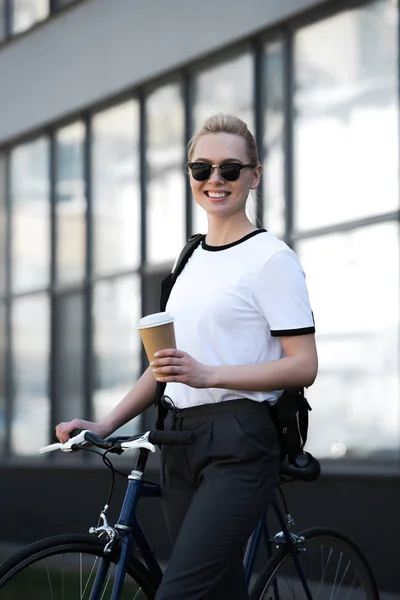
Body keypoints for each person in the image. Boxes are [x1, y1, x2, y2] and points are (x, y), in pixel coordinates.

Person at [56, 113, 318, 600]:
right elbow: (165, 367)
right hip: (177, 440)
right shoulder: (190, 258)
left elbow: (304, 364)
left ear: (254, 176)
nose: (215, 180)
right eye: (202, 169)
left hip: (239, 439)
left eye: (230, 169)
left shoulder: (271, 259)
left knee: (181, 591)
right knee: (216, 589)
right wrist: (105, 423)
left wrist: (208, 373)